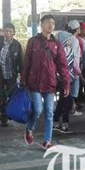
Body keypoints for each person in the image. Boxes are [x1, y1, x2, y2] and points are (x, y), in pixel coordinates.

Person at [22, 14, 70, 150]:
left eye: (53, 23)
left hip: (50, 82)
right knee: (37, 109)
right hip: (34, 82)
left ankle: (47, 141)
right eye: (48, 22)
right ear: (41, 24)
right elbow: (26, 62)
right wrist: (24, 81)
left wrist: (66, 83)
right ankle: (29, 128)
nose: (51, 25)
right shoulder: (33, 41)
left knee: (49, 112)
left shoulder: (57, 44)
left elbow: (63, 65)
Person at [53, 20, 82, 133]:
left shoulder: (58, 35)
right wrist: (79, 74)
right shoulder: (73, 40)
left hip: (58, 73)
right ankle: (64, 124)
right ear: (77, 29)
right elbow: (73, 59)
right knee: (67, 101)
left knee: (62, 99)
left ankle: (56, 122)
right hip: (68, 74)